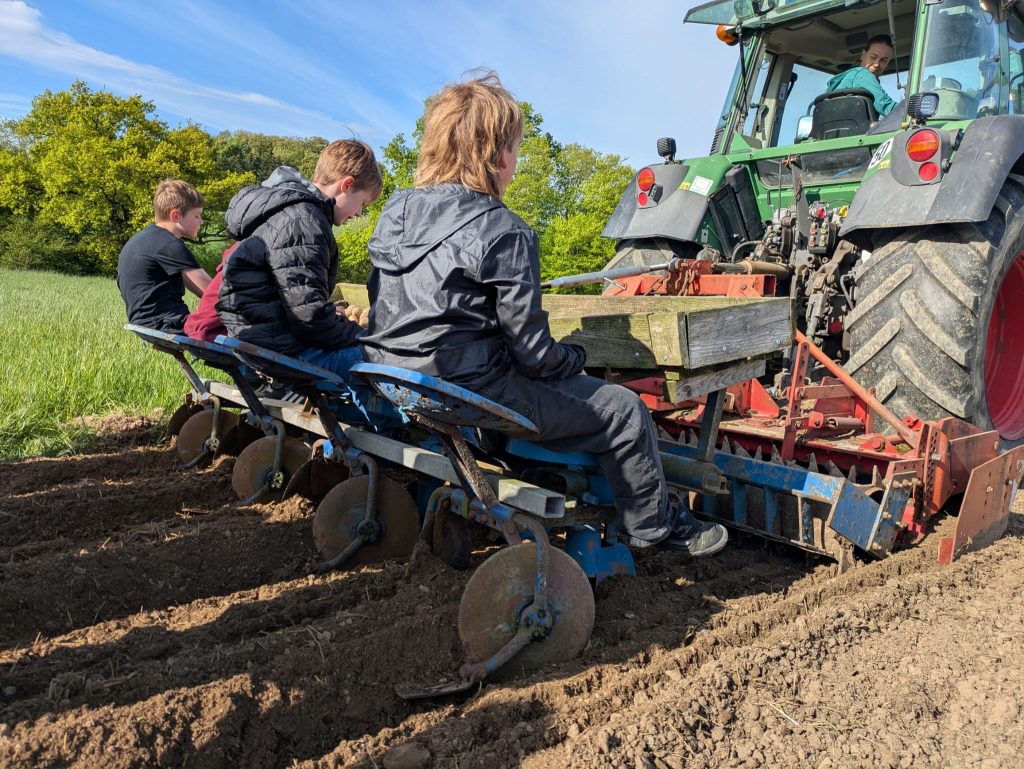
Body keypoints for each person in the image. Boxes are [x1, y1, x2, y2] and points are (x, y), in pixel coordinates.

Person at [360, 71, 728, 557]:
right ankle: (652, 528)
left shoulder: (396, 212)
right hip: (465, 389)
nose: (515, 162)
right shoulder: (504, 229)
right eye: (514, 149)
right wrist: (576, 357)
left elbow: (391, 300)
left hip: (397, 377)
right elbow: (534, 356)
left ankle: (531, 470)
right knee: (624, 412)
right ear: (495, 155)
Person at [215, 140, 382, 376]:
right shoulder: (305, 221)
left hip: (257, 338)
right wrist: (362, 336)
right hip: (282, 348)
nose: (359, 213)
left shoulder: (287, 210)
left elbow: (300, 300)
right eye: (362, 203)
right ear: (346, 185)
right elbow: (309, 317)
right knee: (382, 364)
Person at [117, 180, 212, 332]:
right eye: (197, 216)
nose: (201, 221)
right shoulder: (169, 245)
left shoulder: (142, 239)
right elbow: (214, 293)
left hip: (145, 322)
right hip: (169, 324)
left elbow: (202, 291)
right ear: (176, 215)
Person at [825, 34, 898, 117]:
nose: (877, 64)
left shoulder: (850, 76)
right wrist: (908, 110)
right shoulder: (863, 74)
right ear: (863, 55)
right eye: (873, 57)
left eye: (883, 60)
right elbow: (885, 105)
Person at [183, 242, 238, 342]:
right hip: (206, 331)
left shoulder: (240, 249)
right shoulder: (171, 246)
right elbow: (207, 291)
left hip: (195, 327)